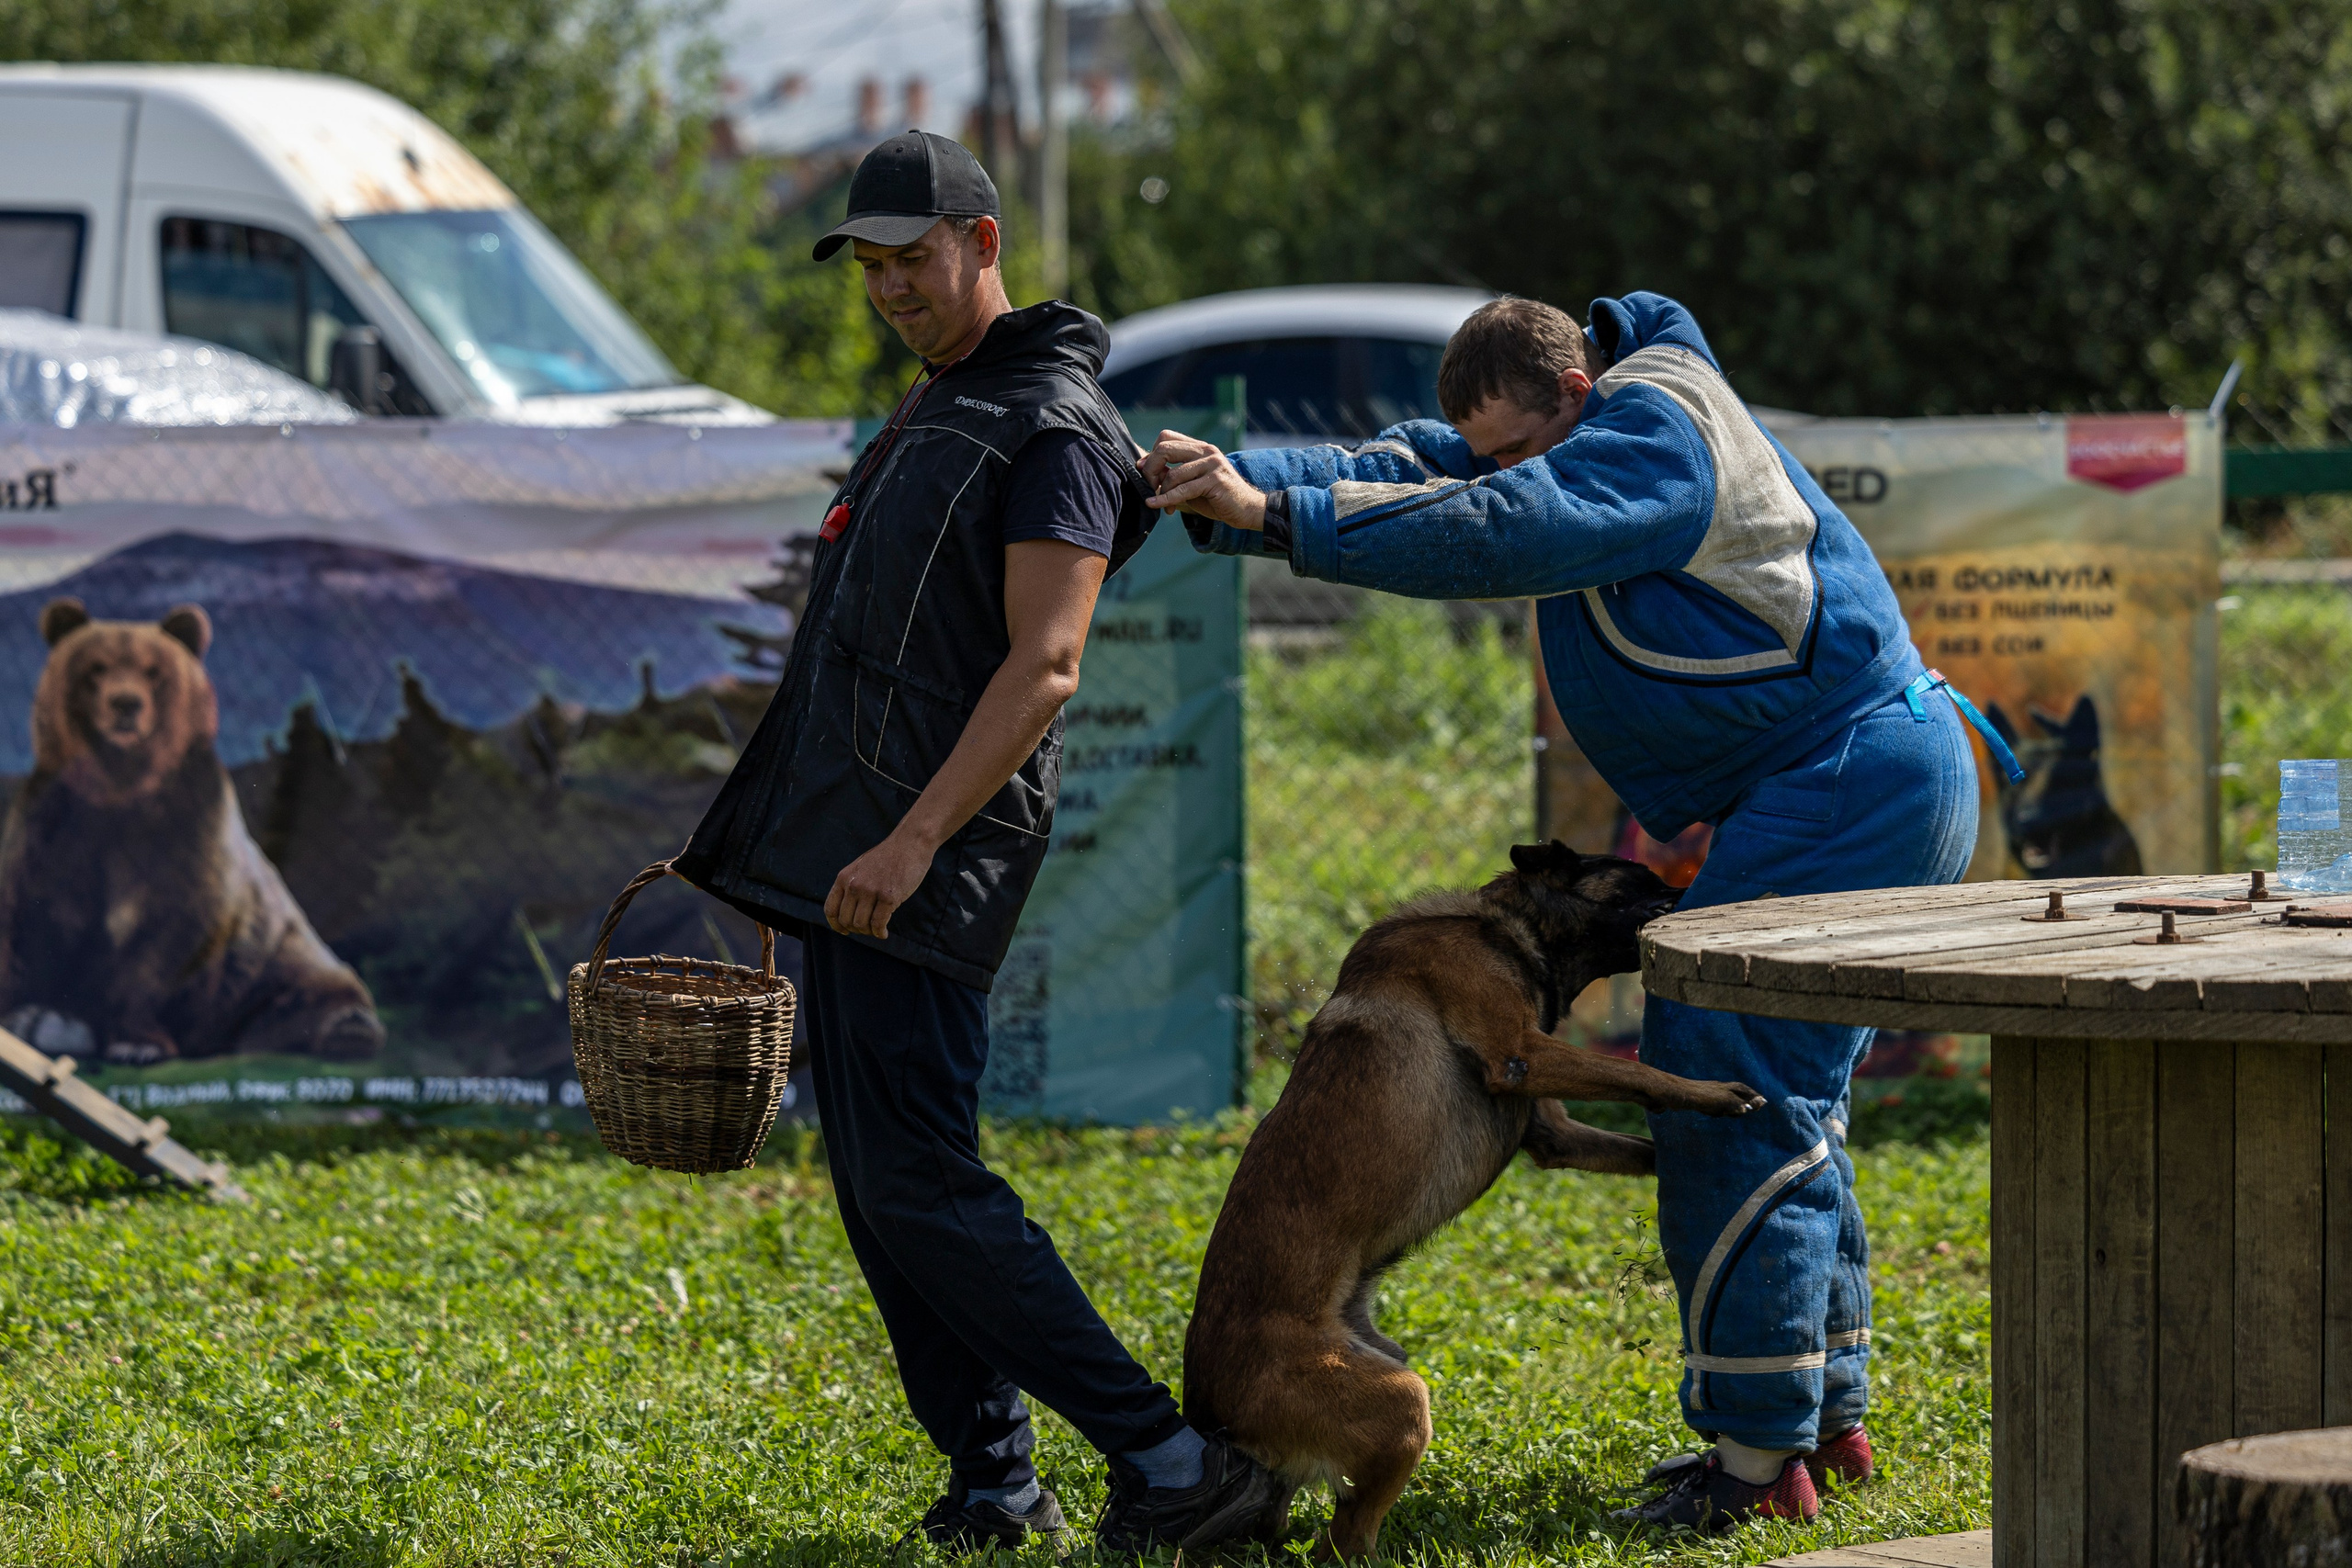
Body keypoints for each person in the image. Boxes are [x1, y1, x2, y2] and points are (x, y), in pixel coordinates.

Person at [1143, 294, 2014, 1534]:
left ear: (1574, 391)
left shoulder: (1653, 430)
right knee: (1780, 1091)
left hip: (1849, 776)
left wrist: (1282, 519)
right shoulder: (1564, 431)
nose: (1502, 469)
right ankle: (1821, 1420)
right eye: (1489, 451)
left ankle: (1756, 1469)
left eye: (1517, 446)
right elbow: (1418, 466)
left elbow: (1512, 521)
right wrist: (1229, 484)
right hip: (1846, 774)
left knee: (1722, 1070)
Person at [677, 130, 1279, 1557]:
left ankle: (1176, 1462)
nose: (891, 287)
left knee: (924, 1182)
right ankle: (995, 1480)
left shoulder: (1052, 426)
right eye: (870, 267)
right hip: (859, 848)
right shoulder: (945, 396)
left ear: (983, 242)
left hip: (932, 852)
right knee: (883, 1187)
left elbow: (1046, 665)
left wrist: (908, 843)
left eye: (913, 258)